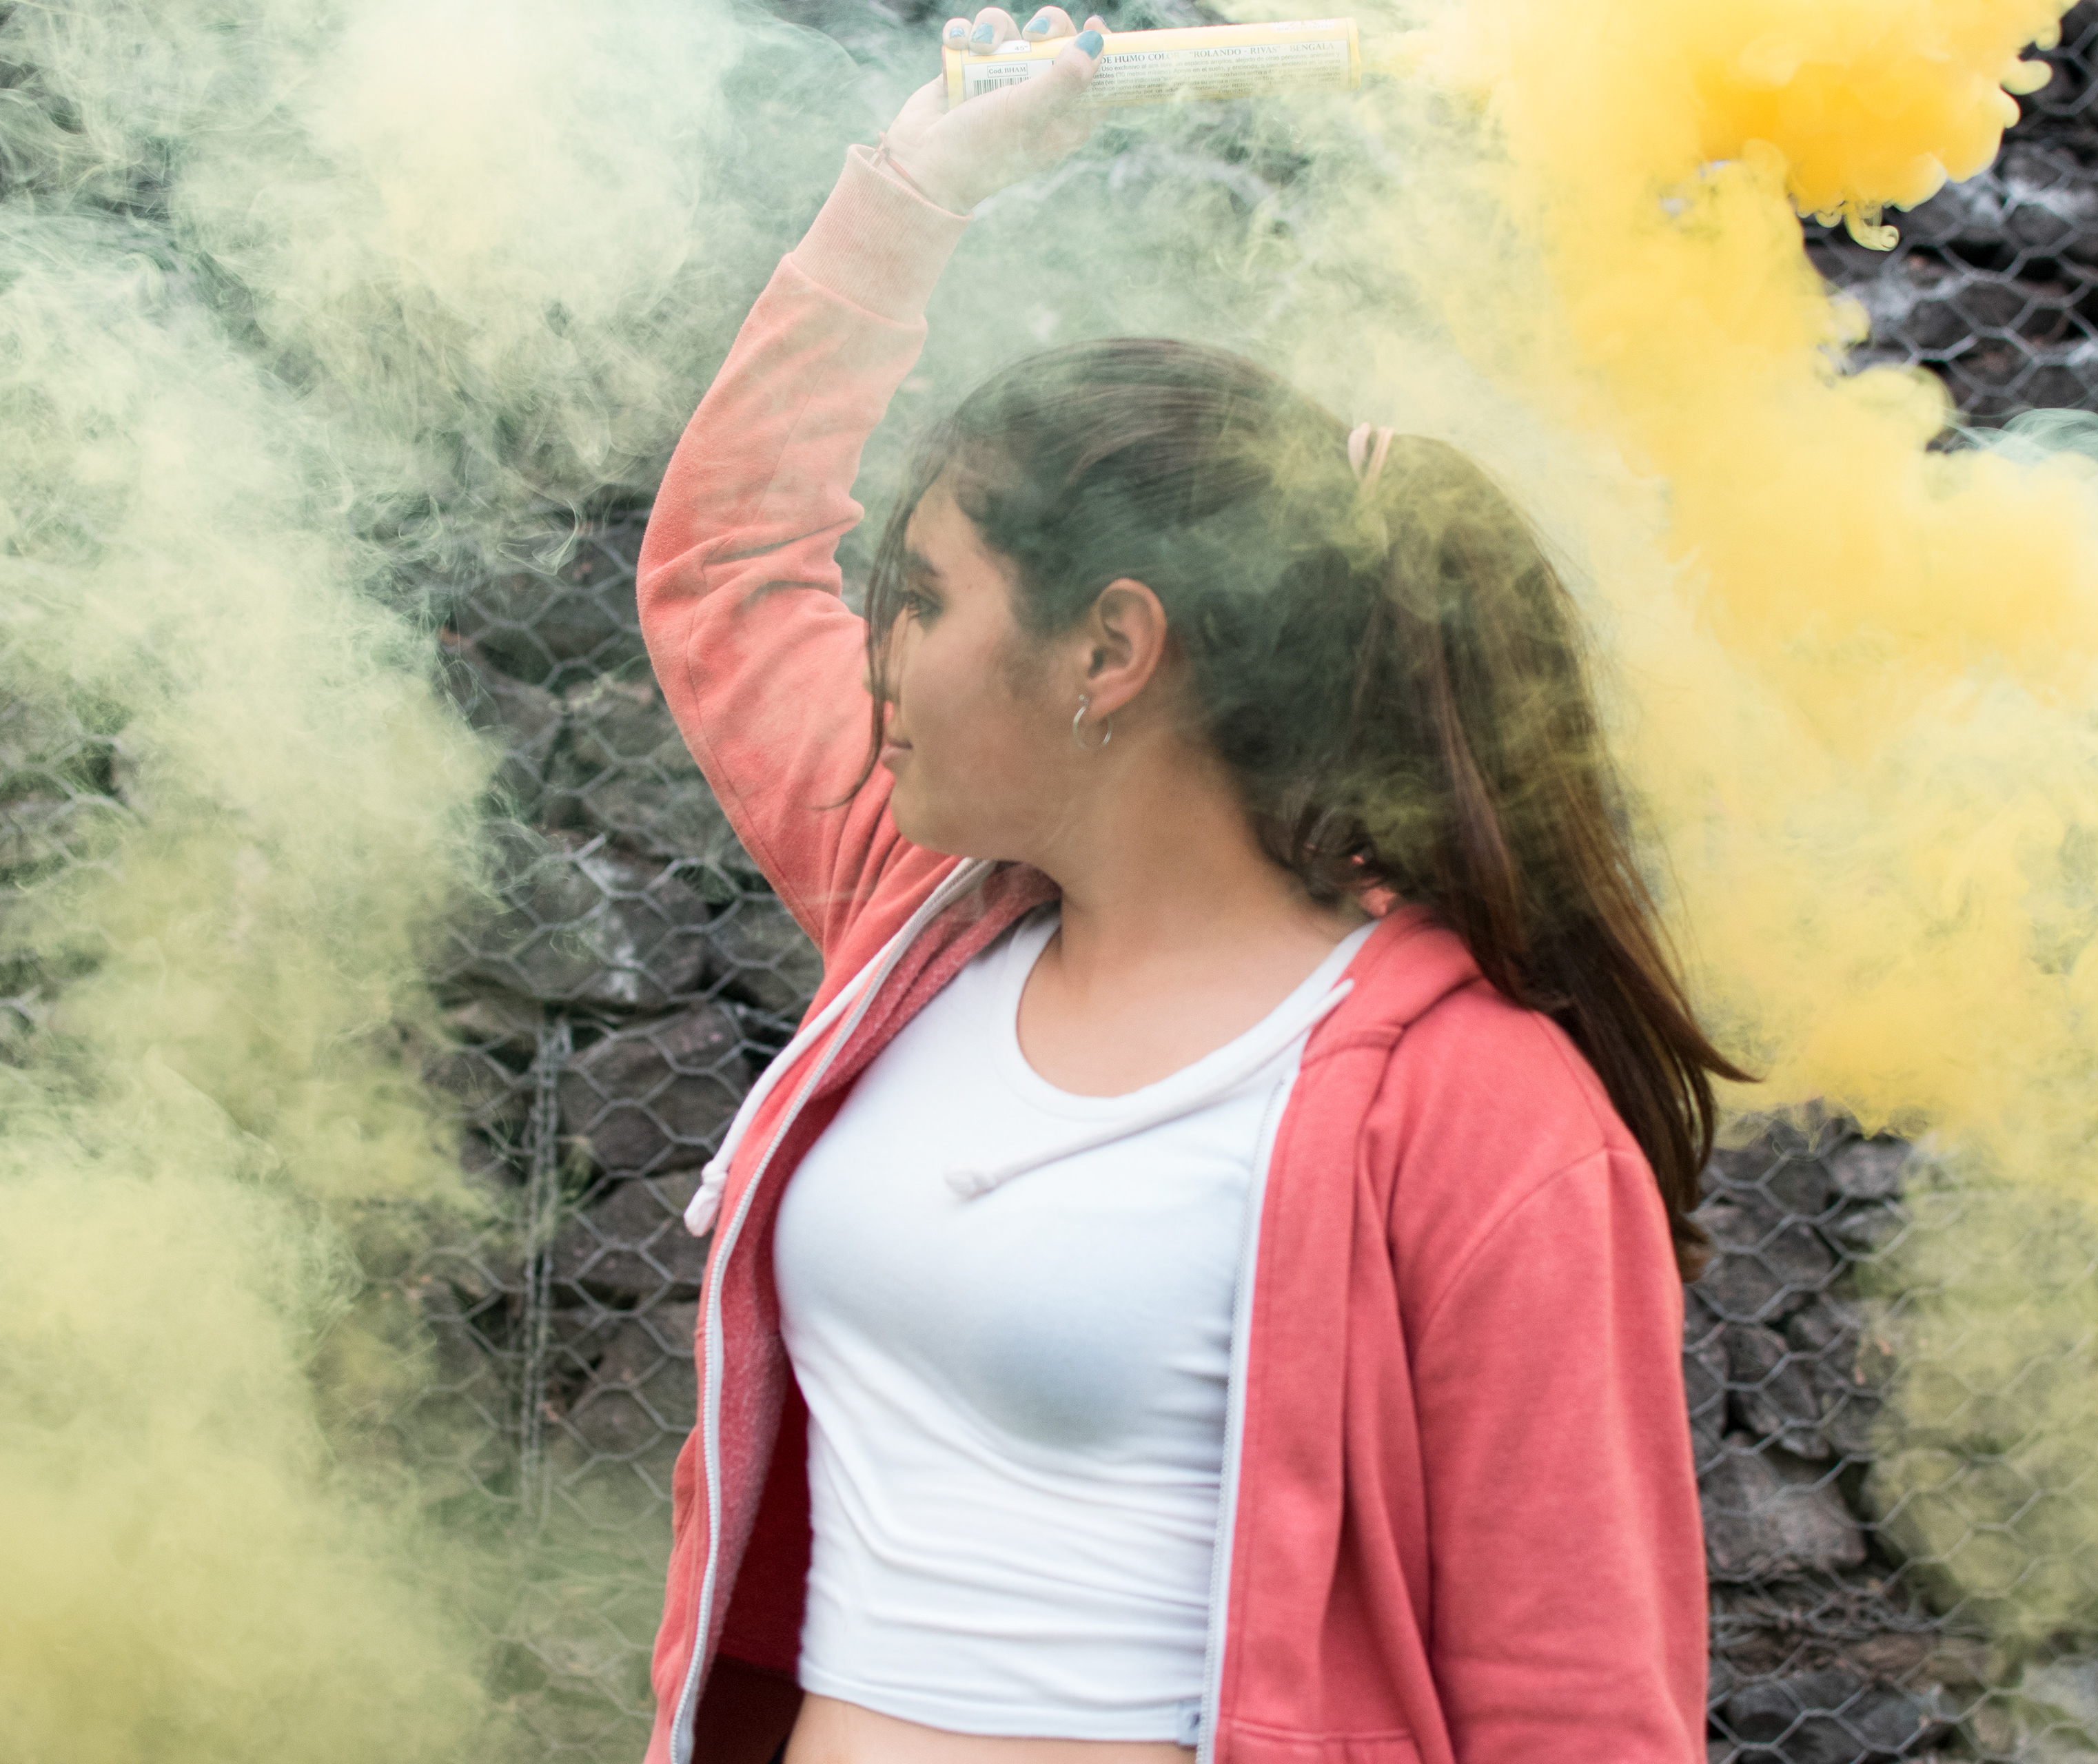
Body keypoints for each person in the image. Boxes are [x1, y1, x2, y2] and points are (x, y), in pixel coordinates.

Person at [637, 10, 1733, 1763]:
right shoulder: (923, 913)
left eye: (924, 597)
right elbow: (727, 555)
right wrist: (915, 188)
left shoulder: (1483, 1113)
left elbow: (1581, 1711)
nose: (877, 652)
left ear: (1112, 648)